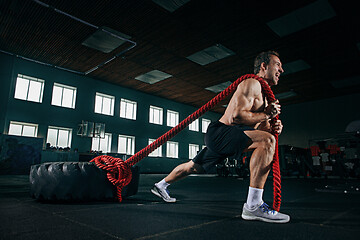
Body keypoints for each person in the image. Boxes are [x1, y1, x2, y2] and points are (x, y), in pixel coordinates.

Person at [151, 51, 290, 223]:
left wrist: (274, 126)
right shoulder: (252, 83)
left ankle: (161, 185)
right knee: (268, 142)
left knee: (194, 167)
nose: (281, 70)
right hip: (222, 133)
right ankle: (253, 206)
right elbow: (237, 117)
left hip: (231, 138)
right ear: (264, 66)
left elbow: (260, 129)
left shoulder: (267, 99)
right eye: (278, 65)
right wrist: (267, 117)